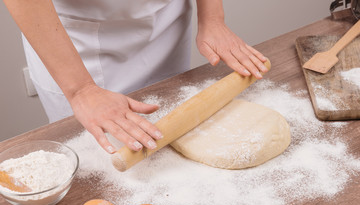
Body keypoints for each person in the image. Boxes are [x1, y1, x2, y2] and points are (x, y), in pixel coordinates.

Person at [3, 0, 268, 154]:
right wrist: (82, 90)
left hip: (166, 19)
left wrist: (213, 18)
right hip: (76, 44)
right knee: (100, 159)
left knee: (168, 130)